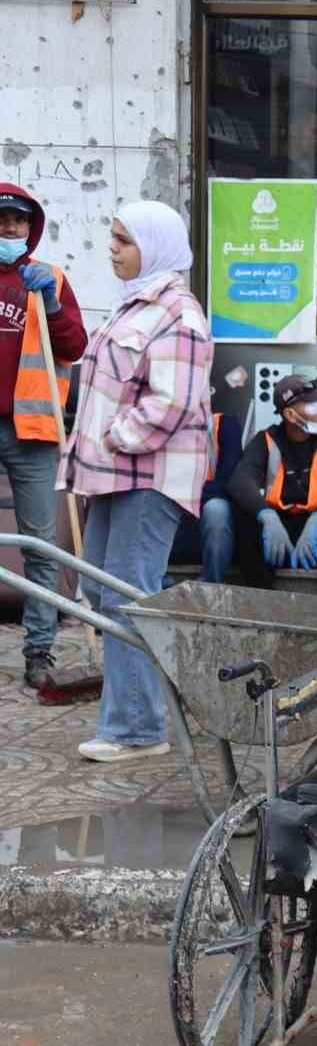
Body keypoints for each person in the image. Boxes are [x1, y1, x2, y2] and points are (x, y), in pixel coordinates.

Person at [63, 200, 213, 764]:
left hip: (148, 478)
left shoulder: (179, 315)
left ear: (154, 246)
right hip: (111, 476)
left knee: (128, 595)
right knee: (104, 590)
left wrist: (113, 438)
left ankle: (138, 728)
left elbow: (170, 402)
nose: (112, 248)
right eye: (113, 237)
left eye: (124, 240)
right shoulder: (133, 307)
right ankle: (142, 705)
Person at [0, 184, 89, 688]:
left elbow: (74, 347)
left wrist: (52, 304)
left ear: (30, 228)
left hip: (32, 430)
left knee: (39, 546)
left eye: (18, 222)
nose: (10, 230)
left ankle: (39, 651)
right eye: (2, 222)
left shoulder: (48, 278)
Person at [229, 376, 317, 595]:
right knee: (243, 510)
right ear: (290, 414)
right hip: (277, 536)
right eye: (314, 404)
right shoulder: (265, 439)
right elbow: (240, 480)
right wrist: (267, 517)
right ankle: (260, 595)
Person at [167, 410, 242, 584]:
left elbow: (228, 479)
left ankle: (211, 583)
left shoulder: (223, 424)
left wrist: (190, 496)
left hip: (205, 513)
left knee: (217, 508)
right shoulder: (165, 423)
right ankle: (156, 579)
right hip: (172, 512)